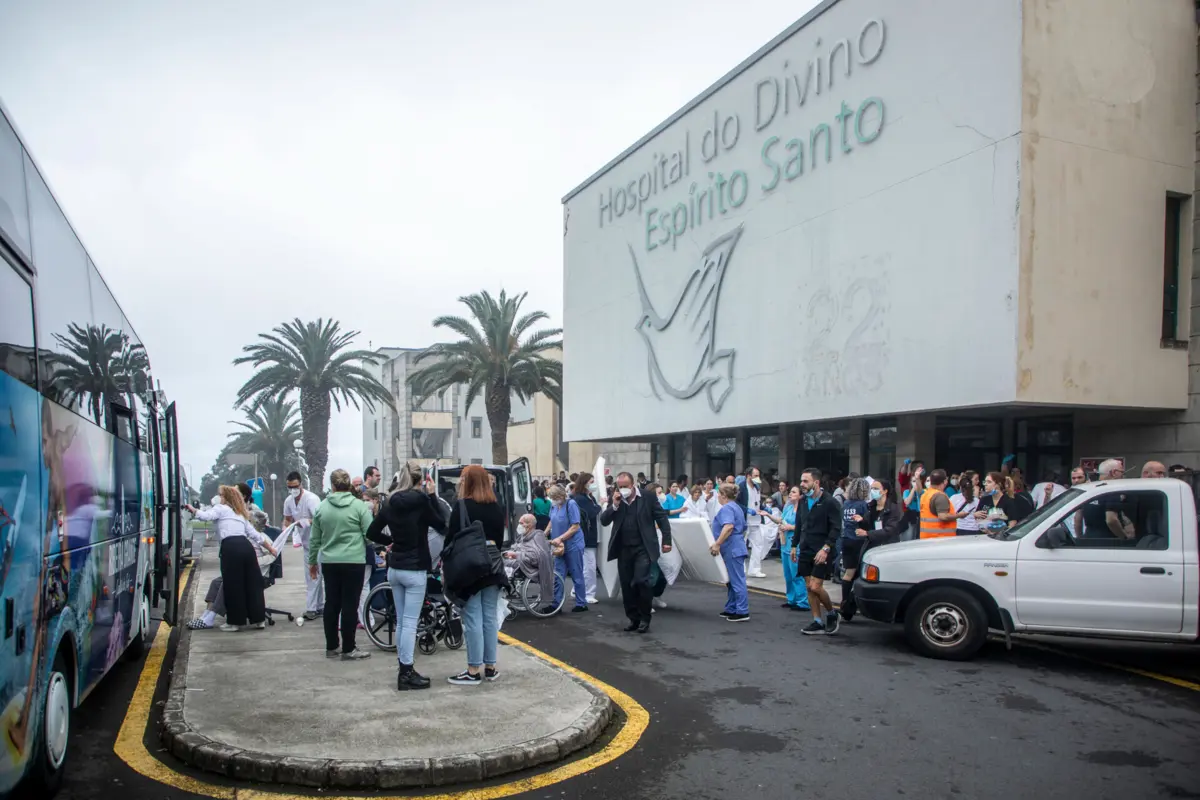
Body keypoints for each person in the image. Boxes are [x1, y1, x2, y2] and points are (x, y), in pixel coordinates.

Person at [366, 460, 446, 689]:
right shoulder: (422, 501)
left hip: (395, 567)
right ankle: (406, 672)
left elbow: (372, 531)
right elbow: (441, 524)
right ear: (420, 481)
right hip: (415, 567)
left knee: (402, 622)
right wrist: (432, 496)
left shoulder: (390, 502)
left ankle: (404, 669)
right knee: (410, 623)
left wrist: (390, 541)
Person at [445, 465, 508, 685]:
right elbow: (499, 540)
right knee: (489, 617)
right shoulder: (496, 507)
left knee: (472, 617)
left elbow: (451, 539)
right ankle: (490, 667)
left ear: (469, 482)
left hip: (470, 567)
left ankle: (473, 670)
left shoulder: (462, 506)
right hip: (493, 566)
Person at [185, 486, 276, 632]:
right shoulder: (240, 514)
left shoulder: (221, 509)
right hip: (247, 548)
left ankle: (235, 622)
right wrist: (271, 548)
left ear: (227, 497)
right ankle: (259, 620)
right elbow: (255, 535)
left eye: (221, 495)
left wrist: (193, 509)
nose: (220, 498)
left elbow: (205, 516)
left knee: (233, 585)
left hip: (231, 548)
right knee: (253, 584)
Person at [307, 469, 374, 661]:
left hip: (329, 561)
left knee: (332, 603)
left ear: (333, 486)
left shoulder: (322, 508)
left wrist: (312, 561)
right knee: (350, 605)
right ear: (349, 486)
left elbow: (314, 539)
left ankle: (331, 646)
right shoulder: (359, 506)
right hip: (354, 561)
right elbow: (369, 534)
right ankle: (349, 648)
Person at [599, 471, 672, 634]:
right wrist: (615, 505)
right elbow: (604, 521)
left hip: (643, 547)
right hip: (624, 548)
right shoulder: (616, 499)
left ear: (633, 485)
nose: (623, 489)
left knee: (641, 581)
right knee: (627, 585)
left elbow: (662, 518)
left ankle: (645, 618)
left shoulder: (647, 497)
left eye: (626, 486)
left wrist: (667, 541)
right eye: (620, 486)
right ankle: (633, 618)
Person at [796, 468, 840, 635]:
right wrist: (794, 545)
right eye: (801, 481)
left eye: (805, 481)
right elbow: (800, 524)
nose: (802, 484)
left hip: (822, 550)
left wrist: (826, 548)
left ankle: (831, 613)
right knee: (808, 587)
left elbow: (836, 528)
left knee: (815, 587)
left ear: (816, 482)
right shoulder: (802, 501)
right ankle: (817, 621)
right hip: (805, 548)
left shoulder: (830, 502)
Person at [282, 471, 323, 620]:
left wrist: (307, 521)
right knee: (315, 575)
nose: (293, 490)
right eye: (290, 487)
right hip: (306, 543)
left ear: (301, 484)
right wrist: (286, 529)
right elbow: (287, 519)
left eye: (295, 486)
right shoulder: (288, 501)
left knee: (313, 575)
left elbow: (321, 520)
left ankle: (311, 608)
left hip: (318, 543)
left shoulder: (312, 499)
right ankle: (319, 606)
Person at [710, 483, 749, 621]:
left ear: (724, 496)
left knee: (737, 580)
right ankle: (732, 607)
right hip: (735, 546)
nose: (718, 497)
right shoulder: (736, 507)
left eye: (719, 494)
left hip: (732, 548)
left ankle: (742, 610)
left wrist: (717, 543)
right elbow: (742, 526)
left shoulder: (727, 508)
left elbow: (728, 526)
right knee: (731, 581)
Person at [546, 484, 588, 612]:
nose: (554, 500)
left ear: (561, 495)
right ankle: (556, 604)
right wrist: (544, 533)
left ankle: (581, 603)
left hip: (573, 544)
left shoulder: (571, 504)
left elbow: (575, 526)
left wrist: (561, 538)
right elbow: (551, 521)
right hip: (559, 545)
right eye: (552, 498)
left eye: (555, 497)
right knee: (558, 574)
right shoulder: (554, 506)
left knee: (576, 573)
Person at [571, 472, 602, 604]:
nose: (593, 484)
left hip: (590, 535)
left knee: (586, 565)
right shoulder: (580, 499)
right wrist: (599, 505)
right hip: (586, 536)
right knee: (589, 566)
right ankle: (588, 593)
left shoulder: (588, 497)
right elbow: (591, 513)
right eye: (591, 481)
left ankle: (577, 589)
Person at [737, 466, 769, 580]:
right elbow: (736, 503)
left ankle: (755, 570)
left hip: (756, 521)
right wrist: (747, 510)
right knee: (741, 546)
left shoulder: (757, 487)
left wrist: (764, 508)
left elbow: (757, 502)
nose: (757, 478)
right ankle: (741, 569)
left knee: (758, 544)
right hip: (745, 521)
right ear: (748, 476)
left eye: (758, 475)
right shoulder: (741, 487)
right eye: (755, 475)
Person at [918, 469, 960, 539]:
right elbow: (943, 517)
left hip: (927, 537)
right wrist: (959, 515)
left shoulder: (925, 495)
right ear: (945, 481)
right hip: (940, 538)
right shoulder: (939, 496)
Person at [951, 471, 981, 536]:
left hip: (958, 528)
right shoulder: (977, 500)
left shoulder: (954, 498)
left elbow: (950, 513)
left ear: (961, 487)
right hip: (974, 530)